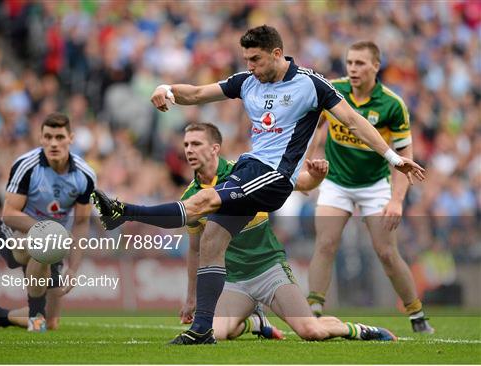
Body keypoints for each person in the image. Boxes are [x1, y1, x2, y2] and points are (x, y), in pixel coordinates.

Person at [92, 25, 424, 345]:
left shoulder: (311, 84)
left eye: (256, 60)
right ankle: (202, 330)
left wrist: (393, 159)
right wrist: (167, 89)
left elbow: (352, 119)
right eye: (246, 59)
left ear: (277, 53)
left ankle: (124, 212)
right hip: (250, 167)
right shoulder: (247, 81)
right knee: (211, 239)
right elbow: (195, 93)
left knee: (205, 203)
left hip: (276, 176)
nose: (249, 67)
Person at [178, 122, 397, 343]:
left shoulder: (244, 172)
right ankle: (254, 322)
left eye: (196, 144)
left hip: (268, 271)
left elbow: (302, 183)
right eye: (186, 144)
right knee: (213, 333)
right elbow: (196, 250)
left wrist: (316, 177)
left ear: (215, 148)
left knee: (312, 331)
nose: (189, 150)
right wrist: (191, 298)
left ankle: (357, 329)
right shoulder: (190, 197)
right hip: (233, 281)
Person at [306, 41, 434, 334]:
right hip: (337, 182)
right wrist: (312, 158)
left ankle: (417, 314)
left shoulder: (392, 105)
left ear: (376, 66)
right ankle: (313, 312)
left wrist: (397, 201)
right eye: (350, 62)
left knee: (386, 252)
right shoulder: (333, 90)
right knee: (325, 244)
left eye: (360, 63)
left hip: (375, 185)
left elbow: (405, 159)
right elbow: (319, 126)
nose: (352, 68)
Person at [0, 112, 96, 332]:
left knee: (50, 323)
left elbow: (80, 223)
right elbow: (9, 213)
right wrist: (47, 231)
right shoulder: (26, 166)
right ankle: (35, 315)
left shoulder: (85, 175)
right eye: (48, 137)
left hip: (53, 240)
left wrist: (73, 269)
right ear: (40, 139)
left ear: (71, 138)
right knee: (46, 244)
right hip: (13, 235)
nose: (53, 143)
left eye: (59, 137)